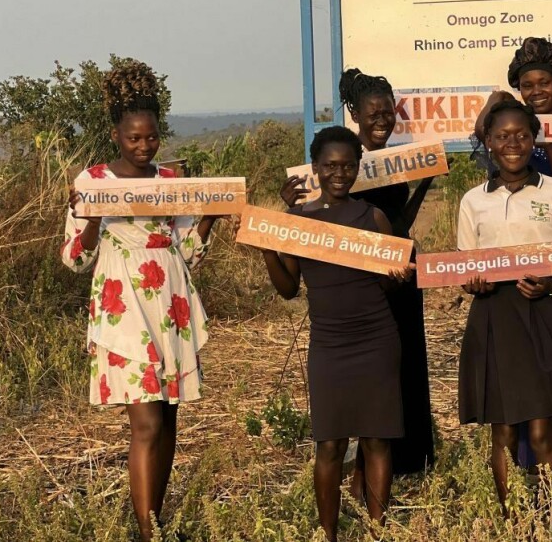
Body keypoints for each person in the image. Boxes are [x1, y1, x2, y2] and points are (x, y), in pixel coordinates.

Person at [62, 60, 223, 542]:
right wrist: (89, 217)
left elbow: (186, 251)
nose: (143, 145)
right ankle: (147, 532)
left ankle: (157, 516)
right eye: (133, 138)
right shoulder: (91, 183)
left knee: (169, 417)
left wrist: (210, 217)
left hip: (169, 305)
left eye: (151, 137)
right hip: (123, 310)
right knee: (147, 424)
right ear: (116, 136)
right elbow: (74, 260)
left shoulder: (170, 180)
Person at [259, 126, 414, 542]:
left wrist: (395, 275)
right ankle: (328, 533)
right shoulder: (297, 221)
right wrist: (268, 248)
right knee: (329, 445)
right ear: (315, 168)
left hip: (378, 339)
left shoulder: (372, 217)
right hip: (329, 344)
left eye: (347, 165)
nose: (339, 173)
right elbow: (289, 289)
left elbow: (387, 285)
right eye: (330, 166)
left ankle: (377, 530)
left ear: (358, 167)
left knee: (378, 439)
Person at [458, 100, 552, 533]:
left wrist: (551, 285)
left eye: (521, 135)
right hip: (495, 319)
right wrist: (473, 281)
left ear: (533, 140)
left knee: (541, 433)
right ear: (488, 143)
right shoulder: (473, 200)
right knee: (503, 435)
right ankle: (513, 523)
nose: (512, 143)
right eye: (502, 136)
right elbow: (463, 268)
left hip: (543, 313)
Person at [473, 37, 552, 470]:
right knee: (506, 420)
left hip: (551, 296)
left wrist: (546, 140)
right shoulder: (478, 195)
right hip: (502, 307)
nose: (536, 90)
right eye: (527, 85)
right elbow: (467, 258)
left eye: (544, 82)